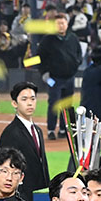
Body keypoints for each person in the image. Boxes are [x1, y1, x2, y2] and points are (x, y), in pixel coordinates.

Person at [0, 82, 51, 201]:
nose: (29, 103)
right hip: (22, 197)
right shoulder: (10, 133)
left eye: (33, 99)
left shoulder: (37, 130)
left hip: (40, 194)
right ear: (14, 103)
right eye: (24, 99)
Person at [38, 12, 83, 140]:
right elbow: (39, 58)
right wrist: (45, 74)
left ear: (67, 24)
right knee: (53, 103)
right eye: (58, 23)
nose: (61, 26)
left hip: (69, 77)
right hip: (54, 78)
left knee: (67, 105)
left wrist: (76, 64)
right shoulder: (47, 40)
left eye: (62, 23)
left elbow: (79, 53)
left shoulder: (73, 38)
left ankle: (64, 129)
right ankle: (51, 130)